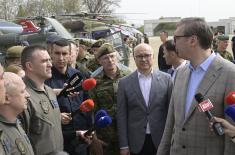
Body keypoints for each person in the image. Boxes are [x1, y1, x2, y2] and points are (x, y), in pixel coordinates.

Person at [157, 17, 235, 155]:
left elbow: (231, 134)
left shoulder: (230, 74)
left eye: (176, 39)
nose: (174, 44)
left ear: (192, 40)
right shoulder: (180, 73)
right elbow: (170, 124)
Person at [117, 43, 173, 155]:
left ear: (153, 56)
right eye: (139, 56)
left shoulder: (166, 79)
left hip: (161, 139)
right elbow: (121, 115)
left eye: (147, 55)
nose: (143, 59)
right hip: (136, 142)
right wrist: (124, 145)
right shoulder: (124, 83)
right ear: (134, 58)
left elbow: (171, 112)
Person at [45, 39, 92, 155]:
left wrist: (90, 130)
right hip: (59, 138)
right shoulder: (45, 78)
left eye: (64, 53)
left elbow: (88, 103)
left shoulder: (78, 75)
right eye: (57, 53)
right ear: (51, 54)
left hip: (81, 137)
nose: (61, 58)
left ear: (71, 54)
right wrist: (56, 116)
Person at [20, 45, 64, 155]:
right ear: (30, 66)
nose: (50, 64)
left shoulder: (49, 91)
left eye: (50, 60)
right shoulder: (23, 96)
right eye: (44, 61)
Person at [89, 43, 131, 155]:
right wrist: (94, 137)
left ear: (116, 57)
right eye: (105, 58)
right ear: (99, 61)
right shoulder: (95, 81)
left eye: (112, 56)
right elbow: (92, 111)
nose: (110, 60)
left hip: (127, 133)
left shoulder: (128, 76)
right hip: (106, 136)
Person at [0, 72, 34, 155]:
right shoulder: (2, 132)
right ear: (7, 98)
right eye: (22, 91)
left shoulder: (15, 122)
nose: (28, 95)